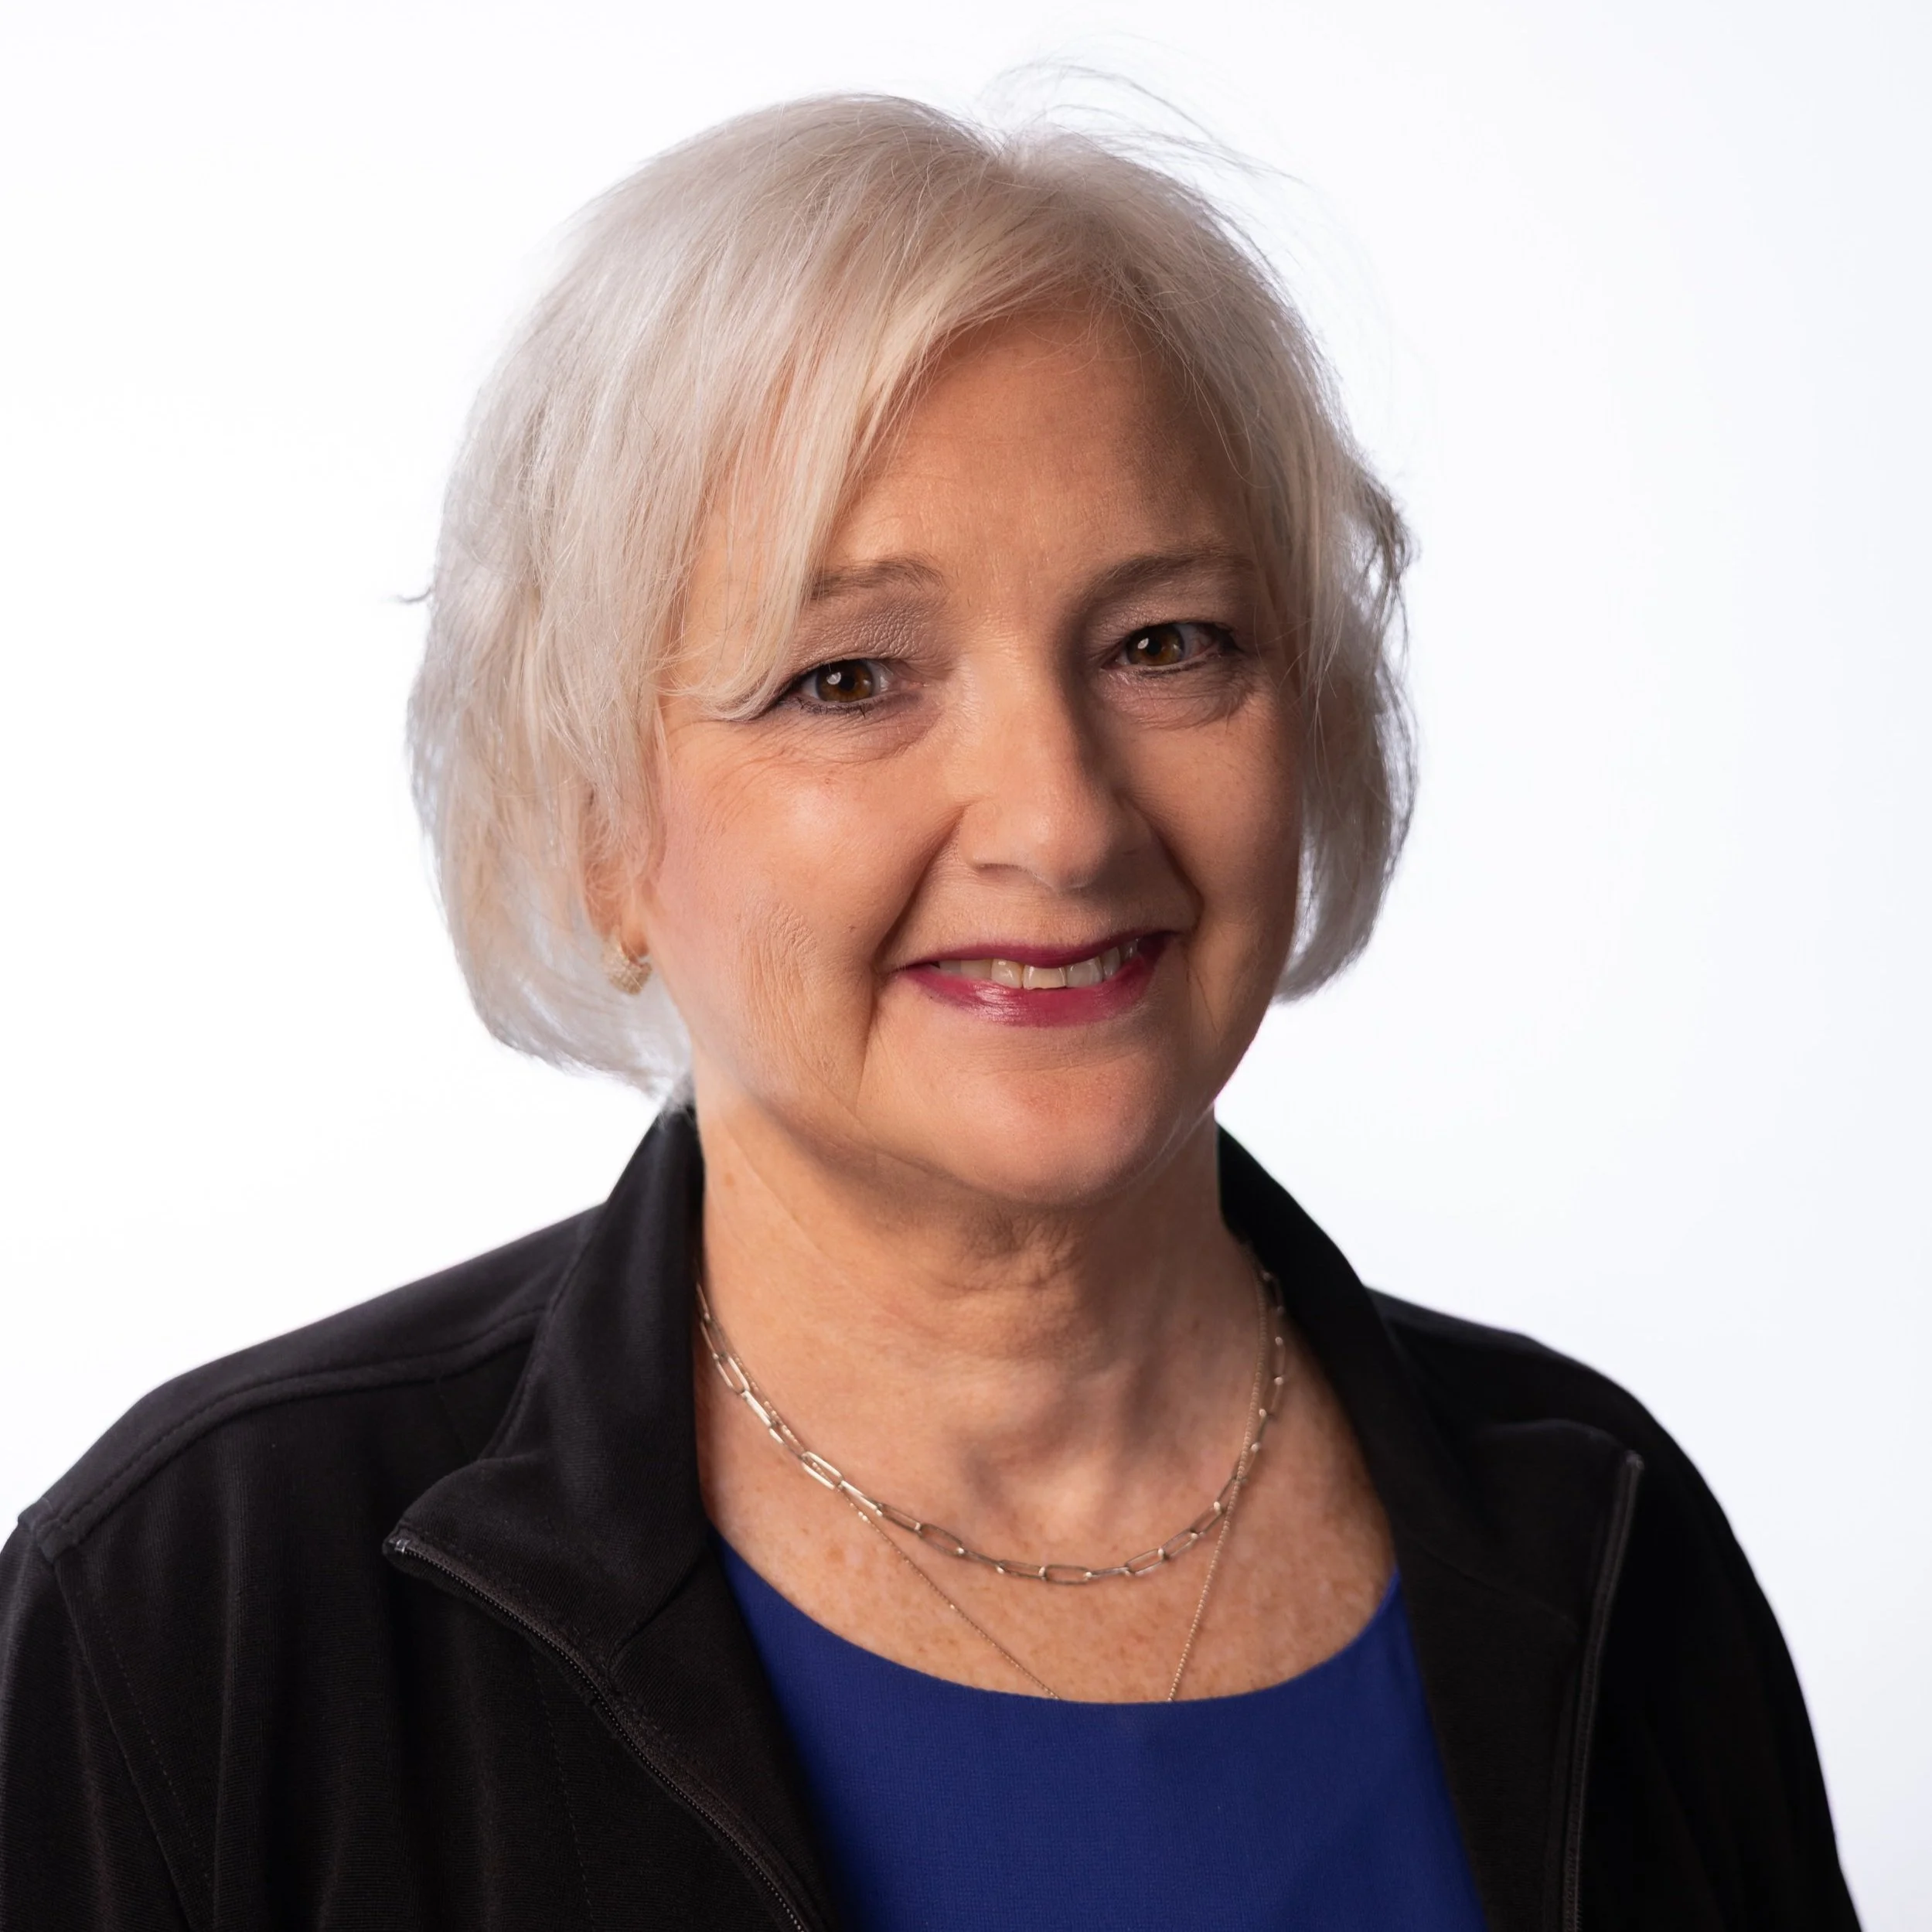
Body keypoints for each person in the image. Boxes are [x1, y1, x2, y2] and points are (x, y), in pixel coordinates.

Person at [0, 94, 1857, 1932]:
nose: (1059, 821)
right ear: (595, 825)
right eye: (848, 677)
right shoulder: (199, 1612)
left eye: (1165, 643)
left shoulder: (1608, 1543)